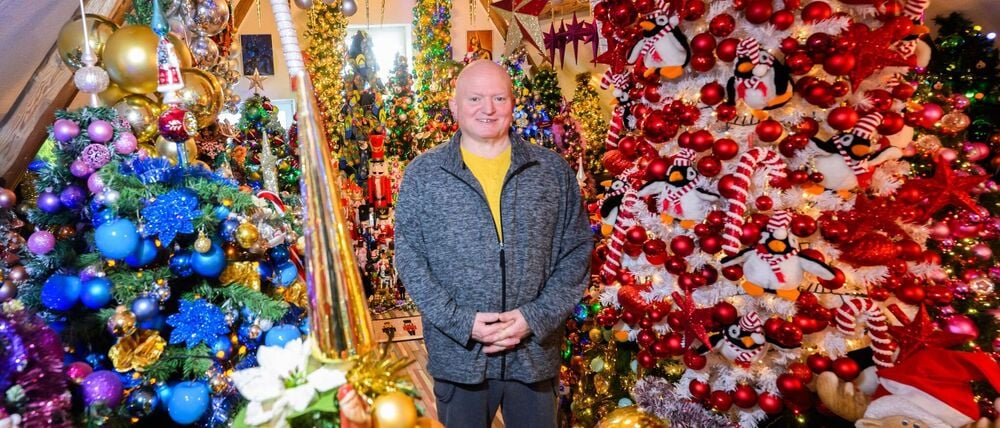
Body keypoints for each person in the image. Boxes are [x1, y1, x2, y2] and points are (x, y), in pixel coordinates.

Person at [394, 59, 593, 428]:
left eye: (499, 97)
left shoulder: (551, 171)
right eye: (475, 98)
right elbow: (409, 259)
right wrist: (461, 322)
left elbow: (577, 252)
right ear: (455, 105)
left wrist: (533, 318)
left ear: (512, 103)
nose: (488, 109)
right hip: (460, 357)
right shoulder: (424, 174)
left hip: (534, 355)